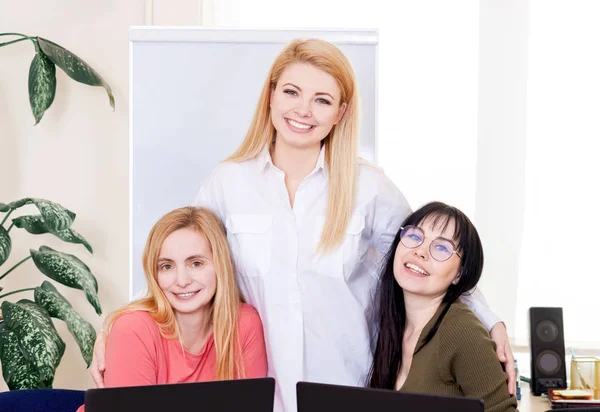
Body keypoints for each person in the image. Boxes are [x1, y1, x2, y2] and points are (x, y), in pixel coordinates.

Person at [90, 39, 514, 412]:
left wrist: (491, 321)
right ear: (270, 96)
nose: (302, 110)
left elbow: (428, 258)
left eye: (322, 100)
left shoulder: (369, 187)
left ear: (340, 112)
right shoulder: (228, 182)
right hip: (258, 393)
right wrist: (116, 326)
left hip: (347, 390)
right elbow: (182, 264)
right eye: (291, 91)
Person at [78, 207, 267, 411]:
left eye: (196, 263)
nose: (182, 281)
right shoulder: (134, 329)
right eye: (167, 266)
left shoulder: (243, 323)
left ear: (220, 265)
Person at [368, 201, 518, 412]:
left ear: (459, 274)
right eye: (414, 236)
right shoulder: (392, 325)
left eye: (441, 247)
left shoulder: (462, 331)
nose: (420, 251)